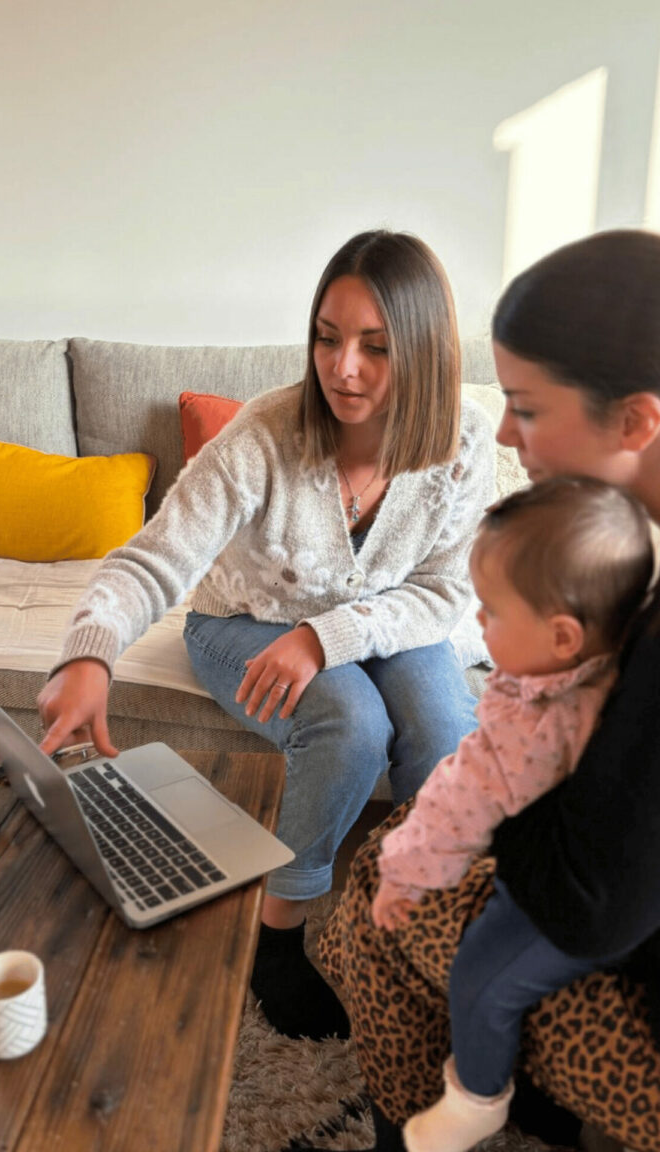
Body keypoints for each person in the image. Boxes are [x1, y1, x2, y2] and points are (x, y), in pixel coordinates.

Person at [36, 229, 495, 1041]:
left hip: (389, 620)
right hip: (242, 623)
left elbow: (446, 592)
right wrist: (89, 652)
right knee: (349, 722)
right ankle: (278, 936)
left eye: (375, 347)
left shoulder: (465, 440)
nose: (341, 367)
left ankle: (429, 930)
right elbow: (154, 559)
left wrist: (327, 636)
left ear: (423, 350)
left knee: (446, 731)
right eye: (327, 336)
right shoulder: (262, 435)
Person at [318, 228, 660, 1152]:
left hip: (620, 955)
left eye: (527, 407)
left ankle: (432, 1120)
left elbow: (599, 902)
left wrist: (496, 800)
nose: (505, 433)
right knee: (402, 843)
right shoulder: (631, 551)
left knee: (378, 885)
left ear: (636, 420)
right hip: (601, 892)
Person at [371, 477, 653, 1152]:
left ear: (561, 636)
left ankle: (477, 1097)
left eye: (492, 612)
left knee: (480, 977)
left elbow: (454, 809)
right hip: (606, 879)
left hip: (569, 908)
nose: (478, 622)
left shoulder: (528, 729)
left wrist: (402, 874)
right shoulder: (614, 652)